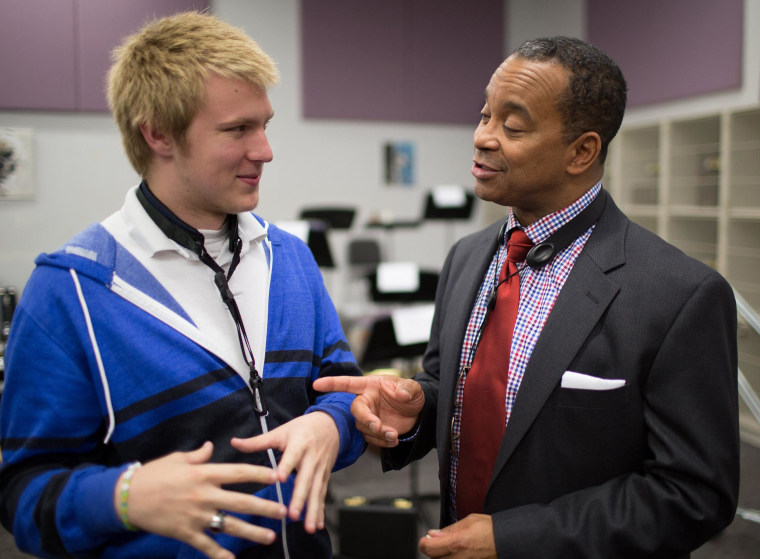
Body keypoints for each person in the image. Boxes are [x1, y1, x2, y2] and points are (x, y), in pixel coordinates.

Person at [315, 36, 739, 558]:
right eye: (485, 115)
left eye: (511, 126)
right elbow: (451, 382)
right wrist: (419, 409)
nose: (483, 138)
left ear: (582, 151)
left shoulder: (680, 295)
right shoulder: (467, 258)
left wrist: (515, 540)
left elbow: (693, 494)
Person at [0, 11, 365, 559]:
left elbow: (344, 392)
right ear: (158, 134)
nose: (265, 150)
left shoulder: (289, 259)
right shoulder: (70, 292)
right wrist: (121, 497)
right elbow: (21, 496)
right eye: (238, 129)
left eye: (264, 124)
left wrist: (332, 426)